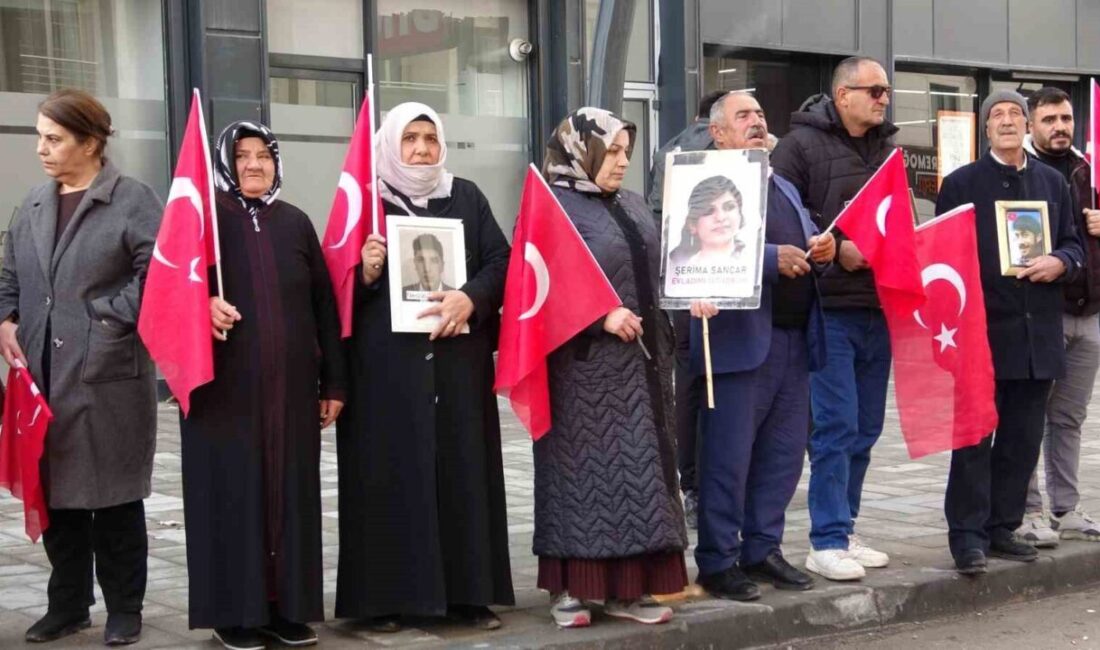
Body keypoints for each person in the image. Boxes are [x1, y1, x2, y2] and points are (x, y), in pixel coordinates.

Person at [335, 102, 514, 632]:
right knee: (391, 476)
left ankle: (469, 594)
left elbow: (501, 261)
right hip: (387, 373)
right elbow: (330, 289)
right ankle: (385, 601)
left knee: (463, 471)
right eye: (409, 138)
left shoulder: (466, 196)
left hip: (457, 364)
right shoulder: (368, 202)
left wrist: (471, 299)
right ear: (391, 144)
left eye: (429, 138)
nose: (420, 149)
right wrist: (363, 272)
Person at [0, 88, 160, 645]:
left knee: (114, 497)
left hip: (107, 374)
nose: (41, 149)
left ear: (90, 143)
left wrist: (106, 318)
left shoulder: (131, 199)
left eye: (54, 138)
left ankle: (125, 610)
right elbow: (9, 276)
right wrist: (6, 320)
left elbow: (157, 273)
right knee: (58, 496)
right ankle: (68, 604)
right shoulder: (36, 203)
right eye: (39, 137)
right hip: (42, 376)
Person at [181, 121, 346, 650]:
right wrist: (200, 305)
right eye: (242, 155)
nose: (254, 164)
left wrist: (334, 382)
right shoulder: (201, 221)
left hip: (293, 394)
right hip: (222, 395)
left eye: (264, 155)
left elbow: (325, 307)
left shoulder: (294, 223)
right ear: (226, 162)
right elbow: (164, 289)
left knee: (291, 498)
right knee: (234, 497)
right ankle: (235, 613)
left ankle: (288, 609)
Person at [536, 107, 688, 628]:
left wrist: (691, 293)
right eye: (613, 150)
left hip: (646, 369)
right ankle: (572, 590)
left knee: (644, 473)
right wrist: (599, 316)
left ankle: (632, 589)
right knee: (584, 477)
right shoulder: (551, 208)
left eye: (626, 150)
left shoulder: (633, 204)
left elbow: (657, 266)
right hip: (583, 373)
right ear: (582, 150)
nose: (623, 161)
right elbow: (534, 289)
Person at [690, 91, 835, 601]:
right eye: (743, 116)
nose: (757, 122)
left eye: (760, 113)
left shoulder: (783, 185)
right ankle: (718, 559)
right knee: (728, 459)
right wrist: (773, 258)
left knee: (782, 456)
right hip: (736, 343)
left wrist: (824, 246)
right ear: (719, 133)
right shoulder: (704, 184)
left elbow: (808, 237)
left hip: (794, 341)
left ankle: (763, 548)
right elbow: (697, 254)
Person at [936, 89, 1083, 575]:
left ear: (1026, 125)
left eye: (1014, 114)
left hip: (1037, 334)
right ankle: (968, 536)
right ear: (985, 128)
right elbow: (941, 258)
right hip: (980, 333)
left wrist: (1059, 262)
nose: (1006, 120)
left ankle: (1004, 526)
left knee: (1021, 441)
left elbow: (1074, 246)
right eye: (996, 114)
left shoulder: (1053, 184)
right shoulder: (961, 184)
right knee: (975, 439)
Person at [770, 56, 898, 581]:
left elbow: (896, 220)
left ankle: (845, 527)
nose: (883, 99)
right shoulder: (797, 147)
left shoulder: (889, 151)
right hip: (829, 309)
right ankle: (823, 538)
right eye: (874, 90)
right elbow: (778, 217)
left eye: (887, 91)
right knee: (835, 425)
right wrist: (838, 246)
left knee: (866, 428)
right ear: (843, 94)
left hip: (879, 304)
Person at [1017, 86, 1100, 545]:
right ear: (1032, 125)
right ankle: (1027, 510)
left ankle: (1065, 508)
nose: (1060, 127)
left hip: (1090, 315)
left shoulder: (1090, 170)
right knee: (1029, 415)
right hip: (1042, 313)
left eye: (1066, 118)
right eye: (1049, 120)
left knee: (1069, 418)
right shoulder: (1024, 173)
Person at [646, 90, 724, 531]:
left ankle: (689, 484)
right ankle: (703, 483)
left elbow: (659, 219)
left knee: (688, 382)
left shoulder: (668, 150)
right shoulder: (727, 154)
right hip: (720, 281)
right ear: (715, 123)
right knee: (711, 383)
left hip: (681, 279)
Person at [668, 175, 752, 265]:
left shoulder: (757, 261)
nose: (720, 217)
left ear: (740, 215)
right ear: (692, 224)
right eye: (708, 211)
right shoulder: (677, 267)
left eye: (729, 207)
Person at [401, 233, 454, 300]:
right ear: (415, 264)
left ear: (442, 266)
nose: (427, 269)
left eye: (433, 261)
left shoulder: (455, 294)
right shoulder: (401, 294)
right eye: (421, 260)